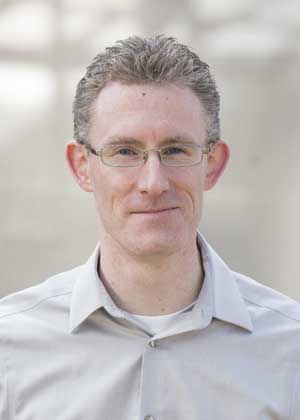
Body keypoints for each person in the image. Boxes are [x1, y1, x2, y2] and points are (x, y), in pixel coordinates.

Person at [0, 35, 299, 420]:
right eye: (124, 152)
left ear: (213, 164)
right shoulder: (9, 351)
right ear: (81, 166)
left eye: (176, 150)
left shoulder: (290, 351)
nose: (153, 182)